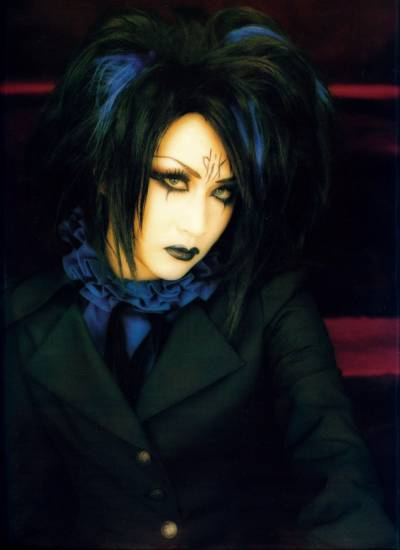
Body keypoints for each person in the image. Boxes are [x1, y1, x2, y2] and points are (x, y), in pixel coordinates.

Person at [3, 6, 396, 549]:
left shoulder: (271, 300)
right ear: (103, 171)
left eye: (223, 193)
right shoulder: (26, 313)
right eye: (172, 180)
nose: (199, 223)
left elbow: (336, 466)